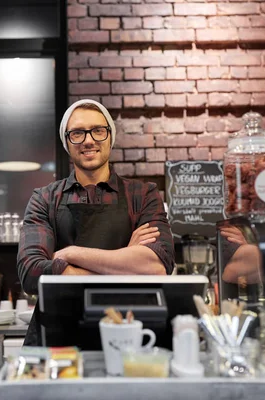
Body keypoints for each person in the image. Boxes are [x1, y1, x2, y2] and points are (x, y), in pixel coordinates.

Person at [17, 99, 175, 345]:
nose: (89, 140)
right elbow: (32, 273)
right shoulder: (45, 198)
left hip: (130, 333)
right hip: (58, 337)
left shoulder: (143, 195)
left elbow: (158, 266)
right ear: (67, 142)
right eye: (77, 133)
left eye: (98, 131)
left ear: (110, 137)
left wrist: (70, 254)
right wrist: (127, 261)